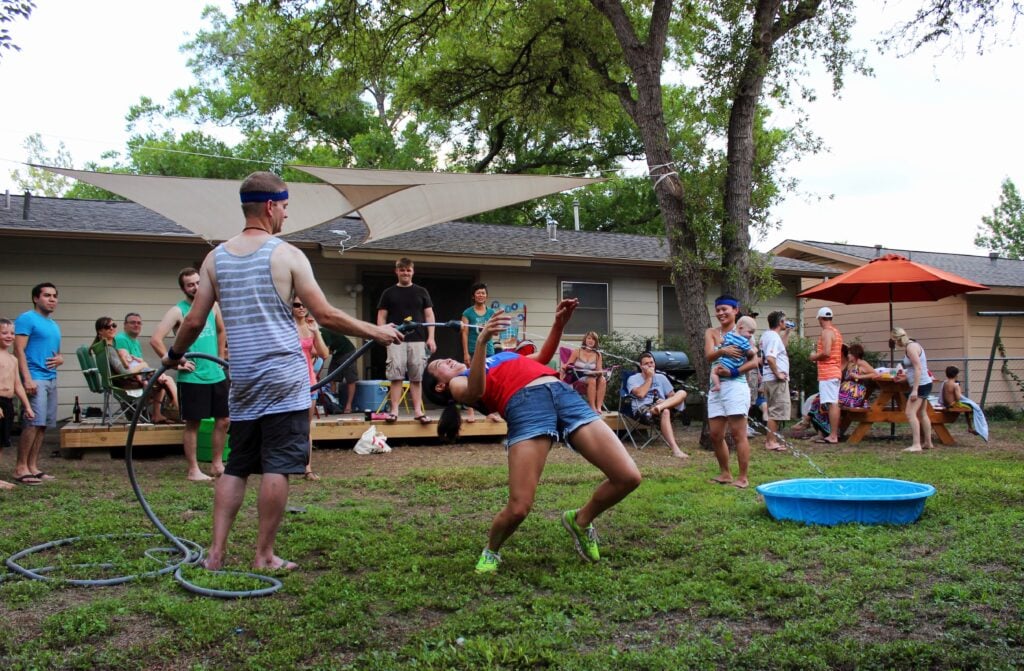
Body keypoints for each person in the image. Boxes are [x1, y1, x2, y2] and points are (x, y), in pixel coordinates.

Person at [160, 170, 402, 572]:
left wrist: (172, 356)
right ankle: (263, 556)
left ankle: (215, 555)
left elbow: (193, 321)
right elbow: (325, 314)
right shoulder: (287, 255)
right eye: (285, 208)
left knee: (237, 465)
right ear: (271, 207)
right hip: (285, 379)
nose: (286, 216)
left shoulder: (214, 258)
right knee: (278, 466)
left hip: (245, 380)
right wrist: (375, 331)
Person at [424, 299, 641, 574]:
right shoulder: (459, 381)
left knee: (628, 477)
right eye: (439, 365)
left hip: (562, 394)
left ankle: (581, 520)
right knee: (519, 508)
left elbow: (541, 358)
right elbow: (474, 392)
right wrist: (480, 343)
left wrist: (558, 324)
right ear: (440, 386)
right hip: (525, 406)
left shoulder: (500, 357)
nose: (446, 359)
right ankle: (492, 550)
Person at [151, 268, 229, 480]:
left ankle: (217, 465)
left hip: (216, 373)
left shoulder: (213, 306)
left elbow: (221, 331)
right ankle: (193, 469)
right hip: (192, 376)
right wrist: (177, 362)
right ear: (183, 288)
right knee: (193, 423)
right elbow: (156, 339)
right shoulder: (178, 311)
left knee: (224, 420)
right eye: (190, 284)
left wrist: (221, 358)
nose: (195, 287)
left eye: (197, 283)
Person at [704, 295, 758, 489]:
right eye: (717, 310)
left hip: (736, 386)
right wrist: (722, 351)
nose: (720, 313)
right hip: (716, 387)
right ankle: (725, 473)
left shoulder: (743, 332)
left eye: (724, 309)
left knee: (738, 434)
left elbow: (754, 360)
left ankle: (743, 477)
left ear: (735, 310)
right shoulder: (711, 332)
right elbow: (709, 356)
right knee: (716, 434)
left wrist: (734, 371)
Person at [12, 283, 62, 486]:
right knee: (32, 423)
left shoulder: (53, 324)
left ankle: (33, 466)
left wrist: (60, 360)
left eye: (55, 296)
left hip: (51, 377)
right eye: (47, 295)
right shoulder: (26, 319)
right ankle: (20, 467)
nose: (52, 299)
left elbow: (56, 354)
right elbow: (19, 350)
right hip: (34, 377)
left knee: (42, 425)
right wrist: (27, 379)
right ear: (35, 298)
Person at [376, 257, 435, 424]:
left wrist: (431, 338)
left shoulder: (421, 291)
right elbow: (381, 316)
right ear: (397, 271)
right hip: (396, 340)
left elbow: (429, 315)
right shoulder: (388, 293)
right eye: (402, 270)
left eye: (408, 270)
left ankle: (418, 411)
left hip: (418, 339)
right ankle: (394, 411)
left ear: (412, 272)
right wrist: (383, 332)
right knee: (396, 375)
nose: (405, 273)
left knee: (417, 376)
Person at [115, 312, 178, 423]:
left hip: (137, 375)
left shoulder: (135, 341)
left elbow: (139, 363)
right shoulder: (121, 339)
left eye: (139, 323)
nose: (136, 325)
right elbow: (129, 365)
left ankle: (158, 414)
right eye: (133, 322)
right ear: (125, 325)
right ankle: (179, 412)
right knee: (167, 380)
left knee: (163, 379)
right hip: (129, 378)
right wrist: (147, 369)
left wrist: (151, 371)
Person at [626, 352, 689, 458]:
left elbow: (672, 396)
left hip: (661, 406)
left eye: (652, 363)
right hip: (644, 410)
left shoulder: (661, 378)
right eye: (646, 363)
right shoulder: (633, 379)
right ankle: (675, 450)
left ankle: (660, 407)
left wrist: (664, 402)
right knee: (666, 411)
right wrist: (649, 378)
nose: (650, 365)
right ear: (641, 366)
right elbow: (641, 394)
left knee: (682, 393)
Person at [292, 298, 329, 481]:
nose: (301, 308)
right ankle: (285, 464)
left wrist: (316, 333)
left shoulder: (310, 327)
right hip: (289, 382)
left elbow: (323, 354)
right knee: (286, 424)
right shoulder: (285, 327)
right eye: (297, 305)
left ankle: (307, 468)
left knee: (306, 427)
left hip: (309, 381)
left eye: (304, 304)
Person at [0, 318, 35, 490]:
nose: (9, 336)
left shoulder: (13, 359)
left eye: (12, 333)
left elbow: (17, 385)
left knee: (2, 441)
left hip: (7, 402)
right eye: (4, 332)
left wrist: (27, 406)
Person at [891, 326, 935, 453]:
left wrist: (915, 390)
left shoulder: (911, 348)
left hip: (920, 385)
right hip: (925, 383)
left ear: (897, 339)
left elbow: (918, 368)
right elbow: (911, 370)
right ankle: (928, 442)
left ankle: (916, 444)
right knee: (922, 413)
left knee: (910, 413)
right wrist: (904, 379)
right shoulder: (913, 345)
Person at [461, 283, 497, 422]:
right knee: (472, 380)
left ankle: (490, 412)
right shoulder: (467, 313)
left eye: (483, 293)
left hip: (489, 350)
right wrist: (465, 353)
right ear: (473, 296)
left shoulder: (491, 313)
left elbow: (494, 331)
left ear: (486, 296)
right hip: (472, 350)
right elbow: (464, 333)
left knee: (488, 381)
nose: (481, 295)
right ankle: (471, 413)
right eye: (478, 293)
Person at [808, 306, 843, 444]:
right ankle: (831, 433)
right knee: (831, 402)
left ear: (821, 319)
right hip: (834, 371)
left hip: (828, 372)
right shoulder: (836, 332)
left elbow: (827, 352)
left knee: (832, 403)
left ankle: (833, 435)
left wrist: (813, 357)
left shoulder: (827, 332)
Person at [759, 311, 792, 452]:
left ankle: (771, 440)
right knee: (777, 411)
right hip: (775, 380)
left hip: (769, 379)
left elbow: (781, 348)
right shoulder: (773, 337)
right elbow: (771, 358)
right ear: (780, 322)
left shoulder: (769, 336)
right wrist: (778, 373)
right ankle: (770, 441)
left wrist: (788, 332)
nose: (786, 323)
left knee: (774, 411)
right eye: (785, 321)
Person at [563, 331, 609, 413]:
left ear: (596, 342)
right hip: (577, 376)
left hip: (592, 375)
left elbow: (599, 369)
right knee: (592, 380)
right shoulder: (577, 351)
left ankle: (599, 407)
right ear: (585, 340)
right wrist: (564, 368)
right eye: (589, 338)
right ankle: (592, 407)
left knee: (602, 380)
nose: (591, 341)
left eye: (593, 339)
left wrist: (599, 373)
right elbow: (568, 365)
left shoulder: (598, 354)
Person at [710, 315, 757, 393]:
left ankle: (717, 385)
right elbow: (750, 353)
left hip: (724, 363)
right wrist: (755, 349)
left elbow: (722, 341)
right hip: (734, 366)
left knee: (714, 372)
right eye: (750, 332)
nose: (751, 335)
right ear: (740, 328)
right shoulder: (744, 341)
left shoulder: (729, 335)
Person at [320, 327, 358, 413]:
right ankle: (333, 404)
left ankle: (349, 406)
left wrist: (317, 369)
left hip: (348, 351)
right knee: (331, 378)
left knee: (350, 379)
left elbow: (325, 354)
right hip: (336, 354)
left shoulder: (323, 334)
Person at [839, 343, 877, 409]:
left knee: (832, 401)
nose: (848, 355)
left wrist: (858, 376)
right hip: (845, 391)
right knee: (823, 399)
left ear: (854, 354)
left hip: (854, 394)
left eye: (849, 353)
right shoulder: (851, 364)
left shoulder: (861, 363)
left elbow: (875, 374)